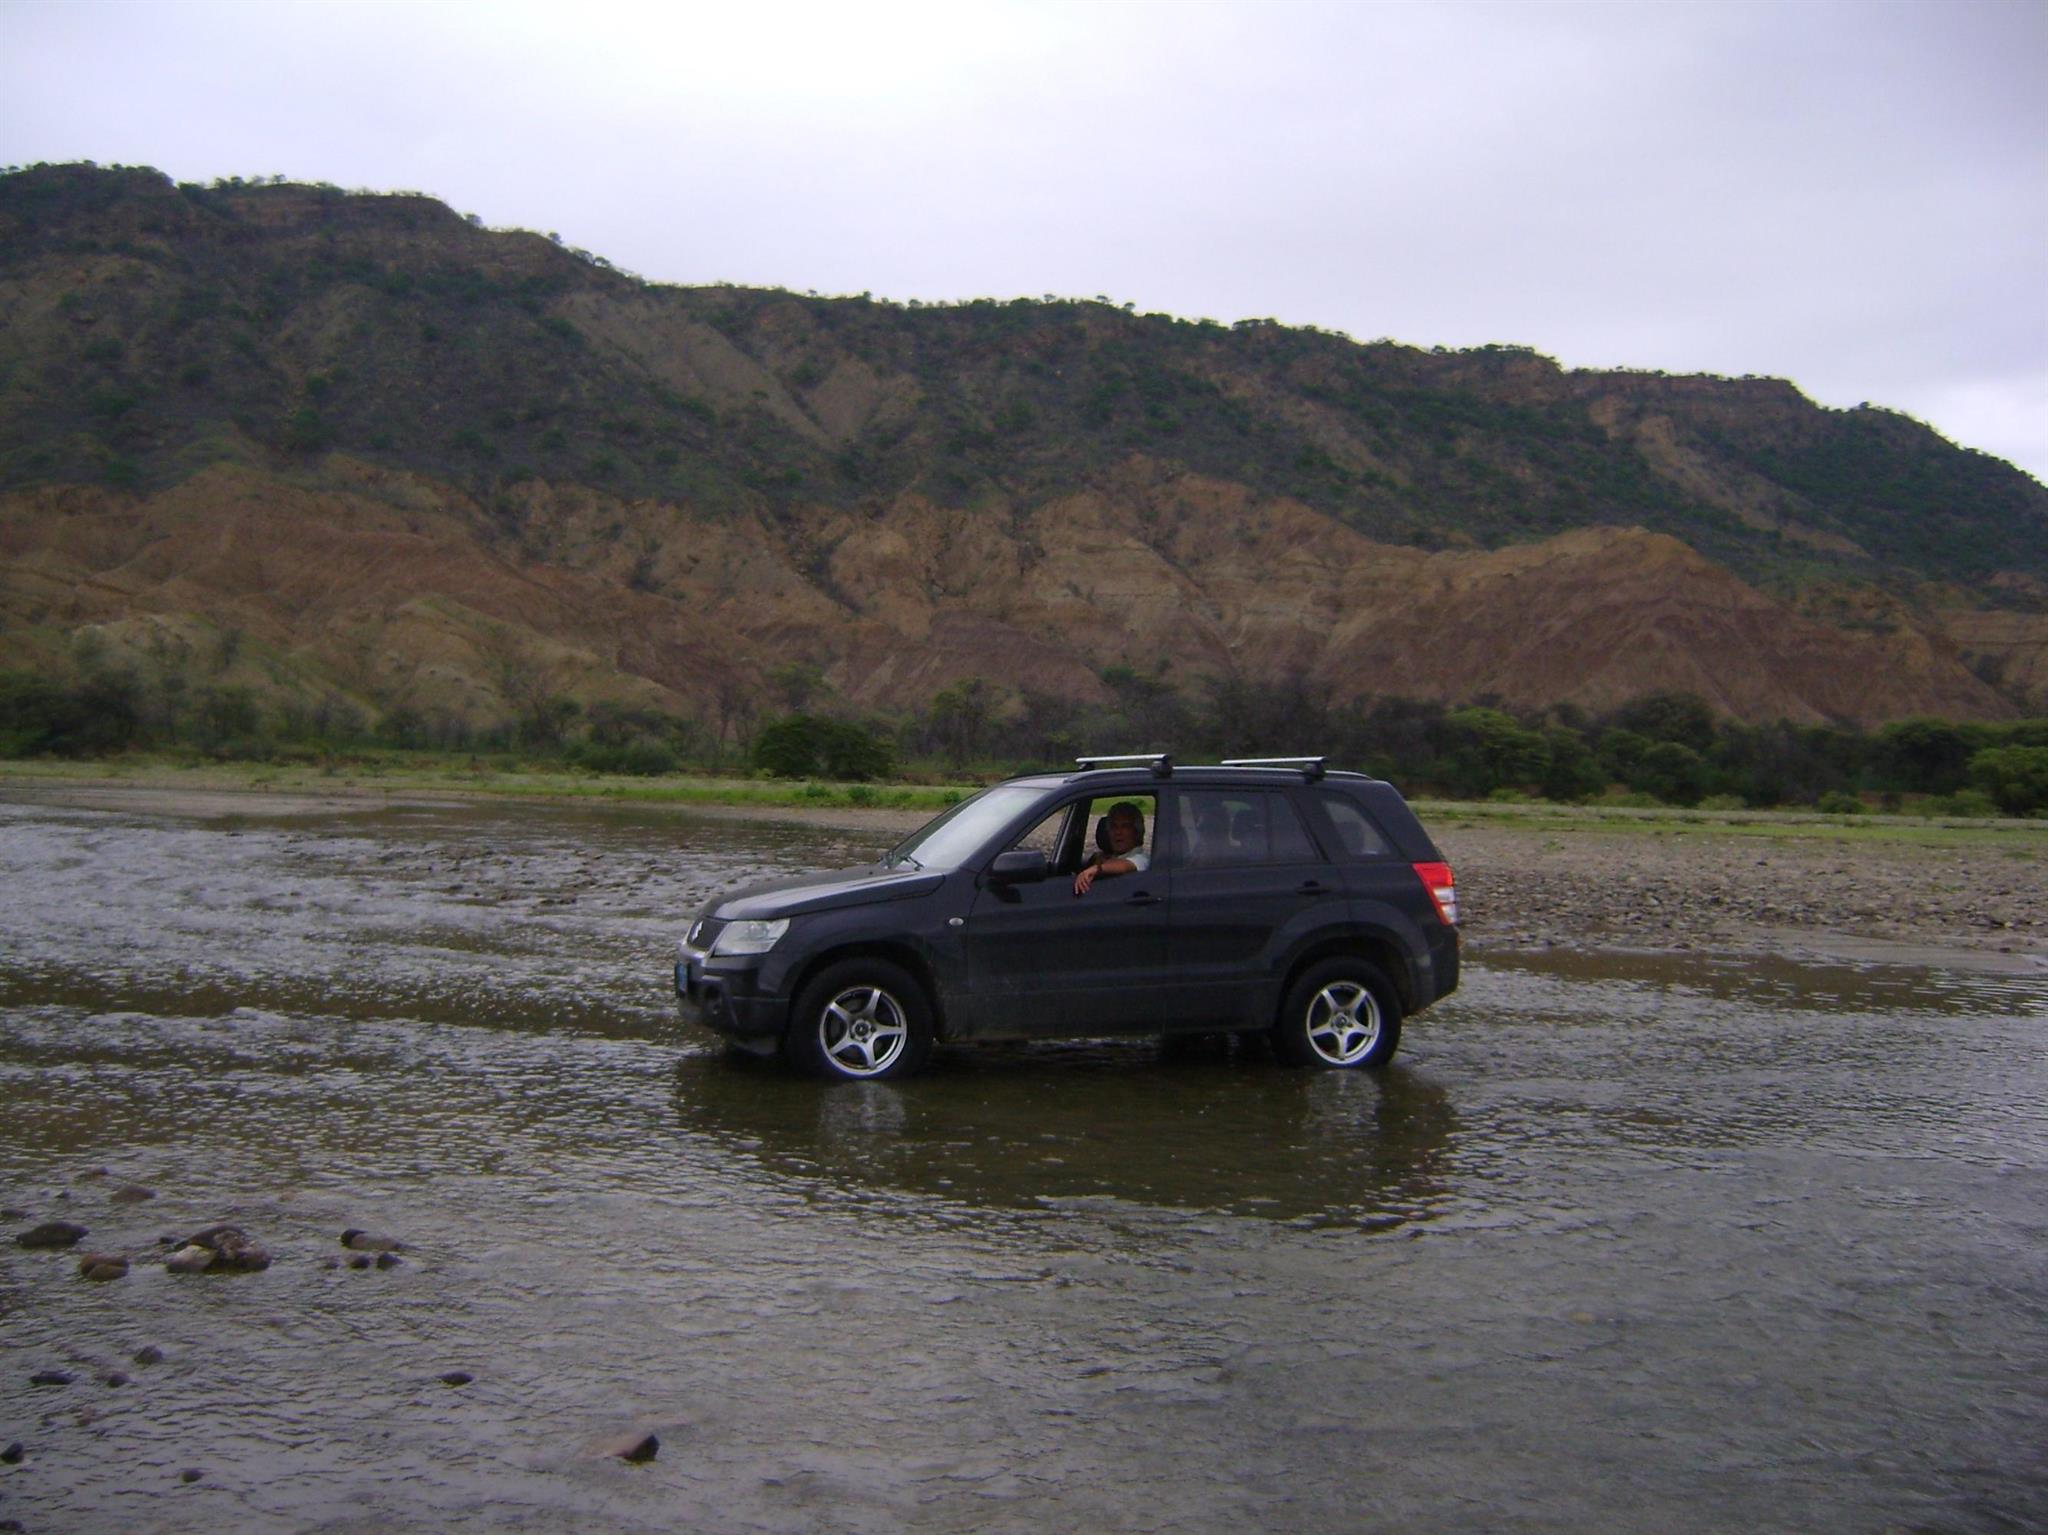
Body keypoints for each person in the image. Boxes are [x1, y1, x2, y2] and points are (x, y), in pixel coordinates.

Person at [1073, 801, 1149, 895]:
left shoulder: (1141, 858)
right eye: (1114, 827)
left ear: (1137, 832)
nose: (1118, 832)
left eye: (1125, 826)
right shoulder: (1104, 858)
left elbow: (1124, 866)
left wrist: (1096, 869)